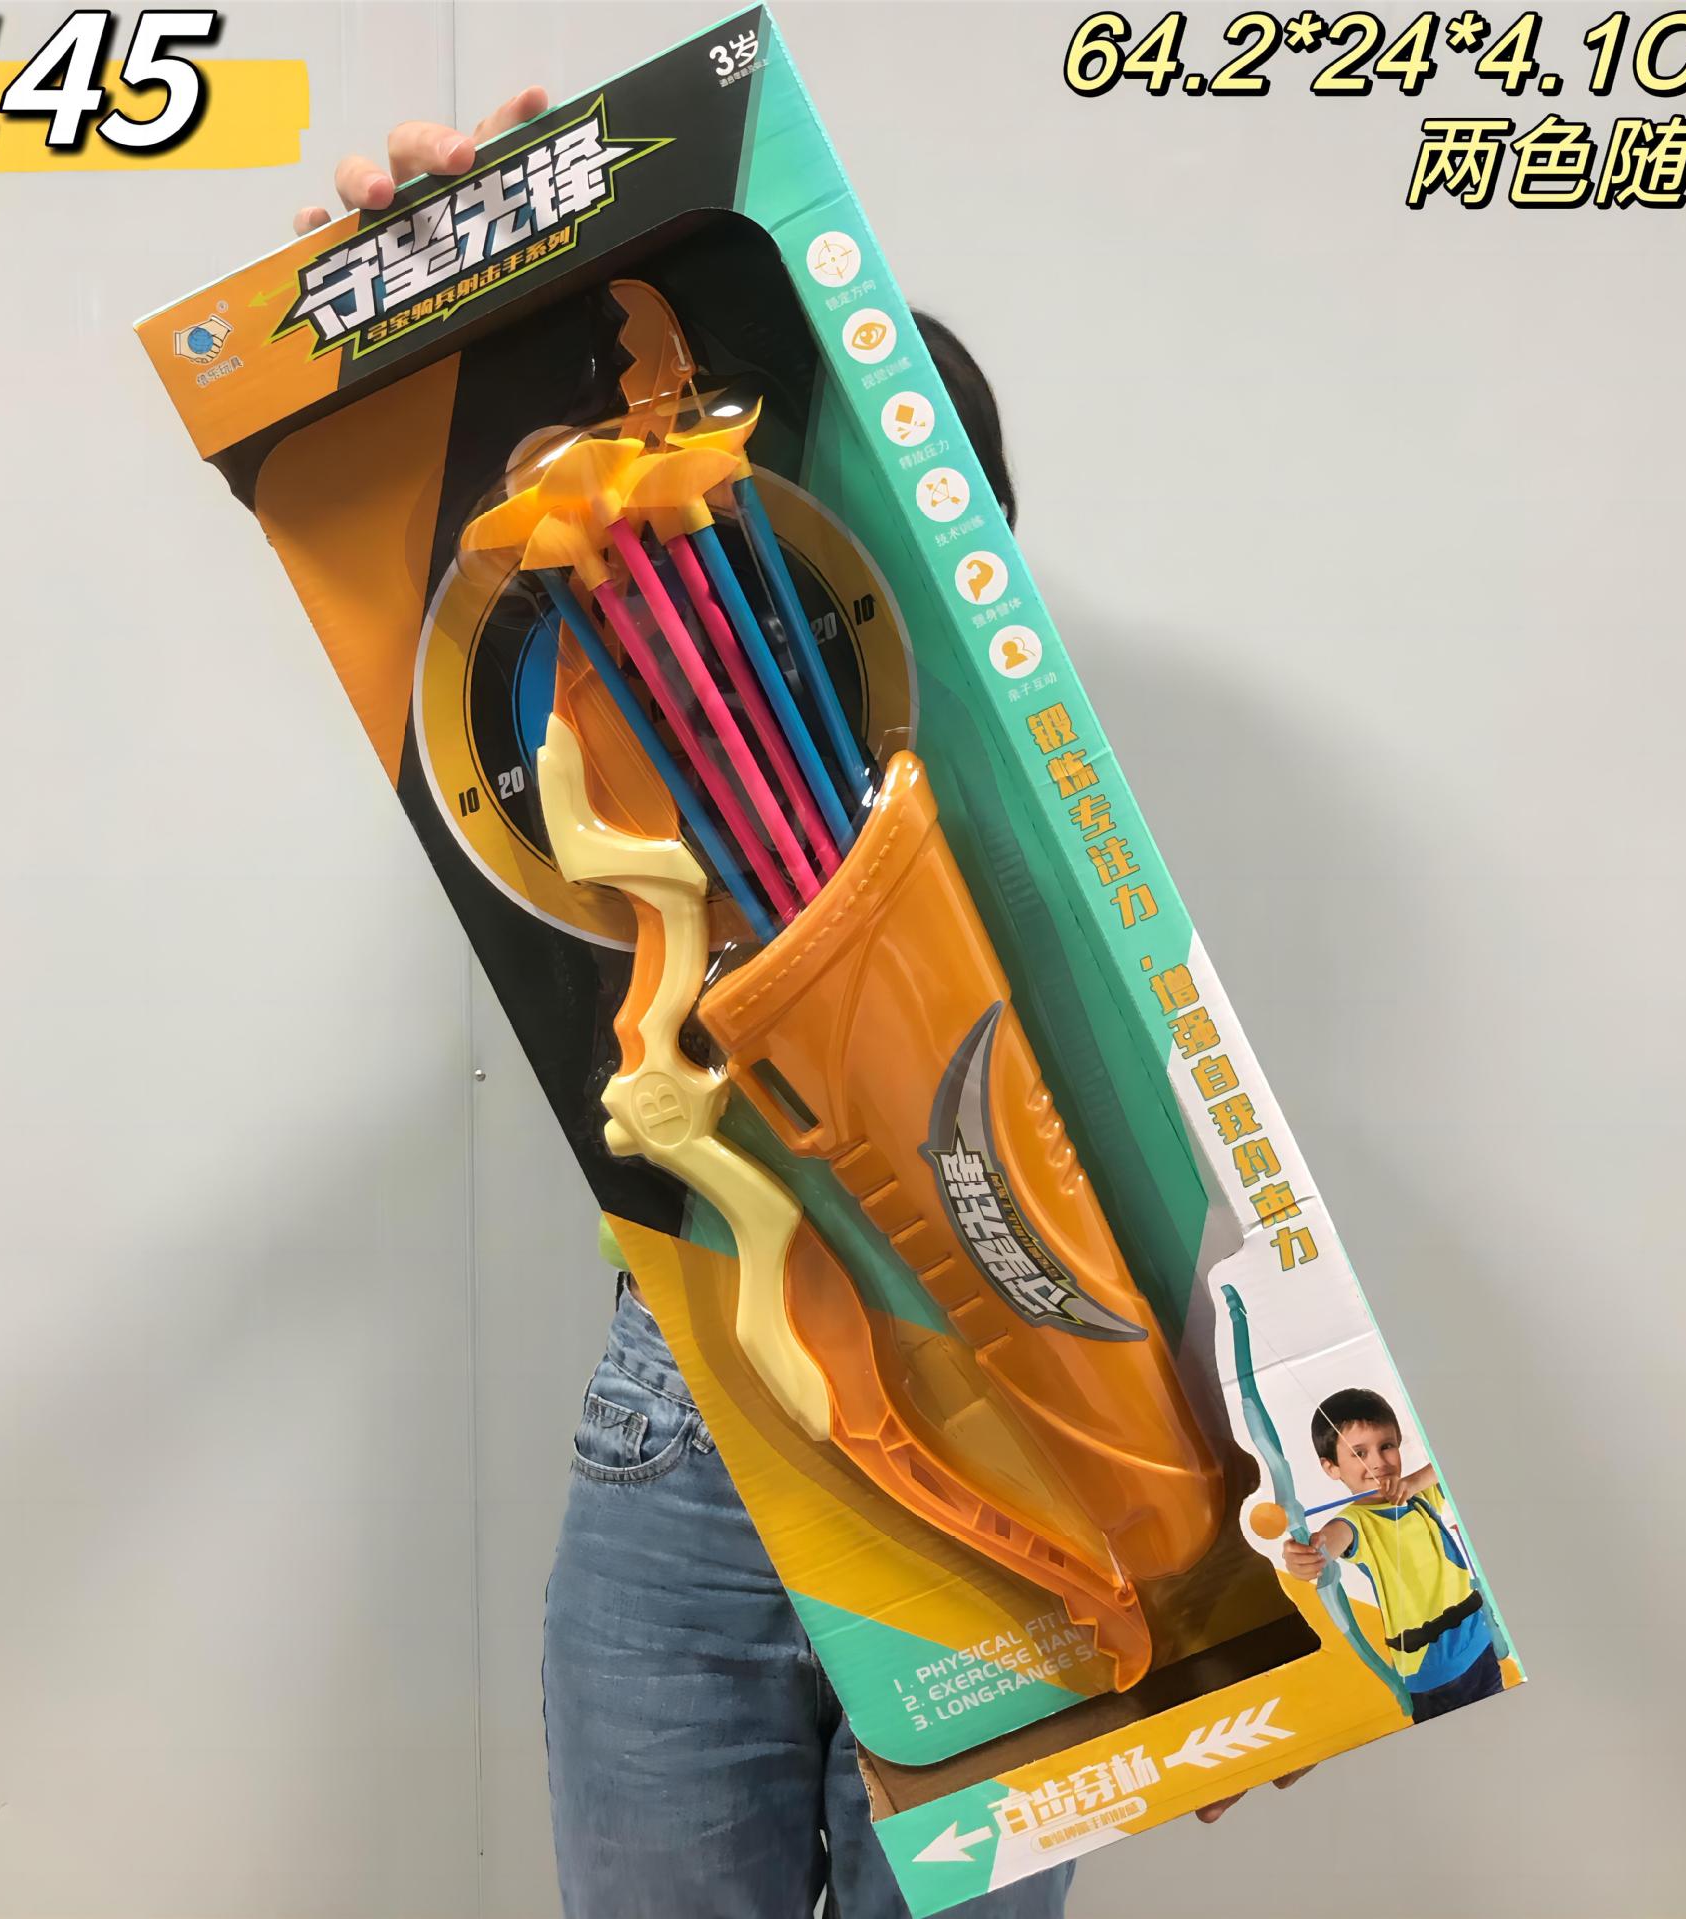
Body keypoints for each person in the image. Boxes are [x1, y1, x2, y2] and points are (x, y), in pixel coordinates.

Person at [296, 88, 1307, 1917]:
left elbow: (1160, 1189)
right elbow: (407, 527)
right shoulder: (605, 760)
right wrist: (439, 293)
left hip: (1049, 1459)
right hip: (687, 1427)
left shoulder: (1033, 843)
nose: (759, 634)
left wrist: (1248, 1582)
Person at [1282, 1388, 1505, 1725]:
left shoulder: (1420, 1497)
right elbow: (1327, 1544)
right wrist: (1305, 1555)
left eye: (1386, 1446)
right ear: (1331, 1468)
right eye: (1358, 1453)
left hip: (1480, 1643)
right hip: (1432, 1677)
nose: (1377, 1462)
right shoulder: (1356, 1522)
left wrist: (1415, 1482)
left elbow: (1467, 1452)